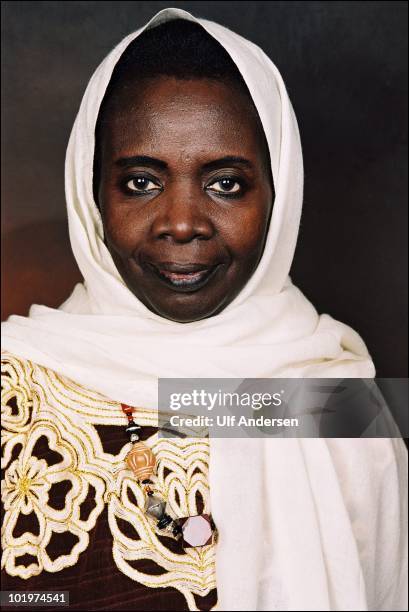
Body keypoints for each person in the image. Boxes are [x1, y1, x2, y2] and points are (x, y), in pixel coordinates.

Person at [1, 7, 407, 612]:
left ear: (280, 194)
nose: (182, 223)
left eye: (226, 183)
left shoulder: (341, 407)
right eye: (141, 181)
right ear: (92, 199)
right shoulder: (14, 389)